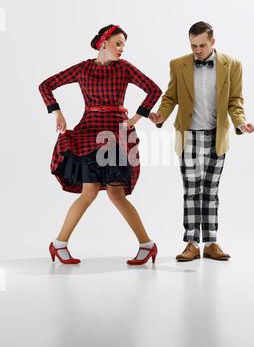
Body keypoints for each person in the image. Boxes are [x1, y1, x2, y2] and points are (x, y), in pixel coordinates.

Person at [38, 24, 162, 265]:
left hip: (116, 133)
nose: (122, 49)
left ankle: (147, 245)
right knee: (89, 192)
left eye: (124, 45)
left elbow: (153, 90)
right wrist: (58, 114)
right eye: (118, 43)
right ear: (104, 42)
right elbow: (46, 85)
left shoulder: (124, 69)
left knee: (116, 194)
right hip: (88, 132)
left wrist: (136, 118)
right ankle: (59, 244)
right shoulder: (83, 68)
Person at [150, 21, 254, 261]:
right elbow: (171, 96)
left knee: (210, 190)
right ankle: (191, 243)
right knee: (191, 191)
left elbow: (235, 101)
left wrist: (242, 123)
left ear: (213, 42)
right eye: (193, 45)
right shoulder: (178, 64)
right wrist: (161, 115)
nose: (197, 50)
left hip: (216, 136)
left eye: (201, 45)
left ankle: (210, 243)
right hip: (188, 135)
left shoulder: (233, 65)